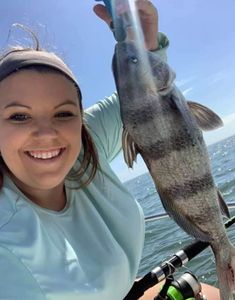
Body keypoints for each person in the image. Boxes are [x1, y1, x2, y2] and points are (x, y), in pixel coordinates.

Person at [0, 0, 220, 299]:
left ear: (80, 118)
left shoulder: (81, 148)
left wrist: (145, 48)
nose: (46, 134)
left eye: (64, 113)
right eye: (19, 116)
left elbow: (145, 101)